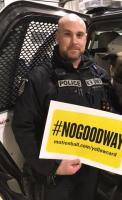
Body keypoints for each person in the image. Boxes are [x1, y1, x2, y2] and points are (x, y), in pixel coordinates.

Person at [12, 13, 111, 200]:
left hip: (90, 170)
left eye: (80, 35)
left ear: (86, 39)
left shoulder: (100, 75)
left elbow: (108, 115)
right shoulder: (40, 77)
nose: (74, 41)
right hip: (57, 176)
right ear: (57, 37)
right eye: (68, 34)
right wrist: (52, 167)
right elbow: (23, 127)